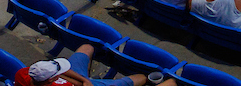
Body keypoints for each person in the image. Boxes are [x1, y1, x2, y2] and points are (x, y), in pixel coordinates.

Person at [16, 43, 168, 86]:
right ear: (50, 80)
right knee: (130, 80)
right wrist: (86, 82)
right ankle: (148, 80)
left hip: (79, 81)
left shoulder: (24, 74)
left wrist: (84, 80)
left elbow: (63, 73)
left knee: (87, 48)